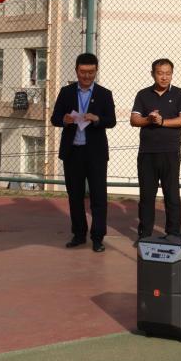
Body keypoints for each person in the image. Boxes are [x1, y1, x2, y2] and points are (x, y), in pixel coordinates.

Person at [50, 52, 116, 253]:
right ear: (76, 71)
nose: (86, 76)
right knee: (75, 195)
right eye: (83, 72)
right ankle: (79, 234)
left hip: (95, 153)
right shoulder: (66, 92)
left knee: (98, 196)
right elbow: (54, 118)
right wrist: (64, 120)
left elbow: (111, 121)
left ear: (96, 71)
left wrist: (97, 119)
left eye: (91, 72)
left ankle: (98, 237)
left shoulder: (104, 94)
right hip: (73, 152)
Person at [130, 59, 181, 241]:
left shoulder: (179, 94)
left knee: (172, 194)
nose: (164, 77)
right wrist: (149, 119)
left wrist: (162, 121)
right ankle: (145, 234)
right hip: (147, 152)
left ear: (172, 74)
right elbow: (134, 120)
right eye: (160, 73)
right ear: (152, 74)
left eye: (168, 73)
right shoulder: (143, 94)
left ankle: (173, 233)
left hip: (170, 152)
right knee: (147, 196)